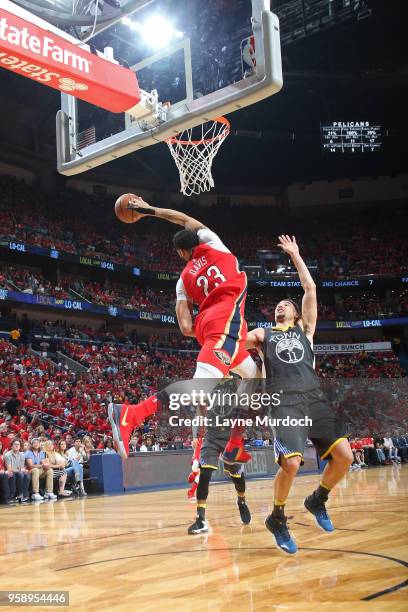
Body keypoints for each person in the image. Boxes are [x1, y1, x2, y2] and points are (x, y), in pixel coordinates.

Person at [109, 197, 260, 464]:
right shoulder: (213, 242)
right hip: (227, 320)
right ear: (196, 241)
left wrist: (209, 327)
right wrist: (149, 210)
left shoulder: (182, 281)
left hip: (208, 325)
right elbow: (181, 218)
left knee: (253, 375)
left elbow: (186, 328)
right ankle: (131, 413)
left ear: (181, 253)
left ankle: (235, 444)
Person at [246, 235, 353, 555]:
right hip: (283, 402)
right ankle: (277, 517)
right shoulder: (263, 334)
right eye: (278, 305)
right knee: (291, 463)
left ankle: (317, 499)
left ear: (295, 314)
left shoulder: (306, 330)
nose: (281, 306)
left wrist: (295, 254)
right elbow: (240, 339)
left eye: (286, 305)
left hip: (313, 398)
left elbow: (310, 289)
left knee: (345, 457)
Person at [188, 412, 251, 535]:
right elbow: (199, 413)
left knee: (237, 478)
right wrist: (196, 435)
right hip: (211, 437)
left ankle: (241, 501)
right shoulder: (209, 394)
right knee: (205, 474)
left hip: (231, 437)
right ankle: (200, 520)